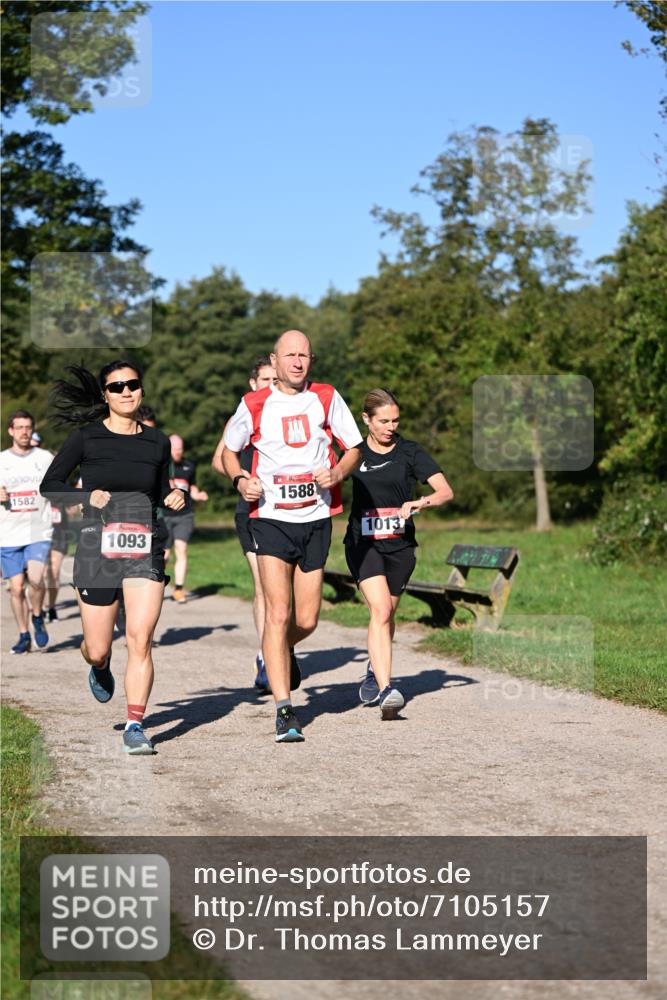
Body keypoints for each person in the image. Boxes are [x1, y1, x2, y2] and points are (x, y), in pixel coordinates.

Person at [222, 330, 363, 743]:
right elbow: (229, 451)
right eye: (290, 355)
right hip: (269, 518)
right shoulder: (253, 403)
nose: (298, 362)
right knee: (278, 611)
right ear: (275, 359)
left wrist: (338, 472)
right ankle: (285, 709)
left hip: (317, 517)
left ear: (311, 360)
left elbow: (354, 446)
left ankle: (280, 650)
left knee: (306, 619)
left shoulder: (326, 396)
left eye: (304, 355)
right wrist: (239, 479)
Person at [40, 361, 185, 755]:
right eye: (116, 386)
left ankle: (136, 724)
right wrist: (86, 496)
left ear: (141, 390)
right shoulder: (85, 438)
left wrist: (175, 496)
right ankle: (98, 665)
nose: (125, 392)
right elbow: (50, 486)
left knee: (140, 641)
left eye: (132, 384)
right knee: (100, 647)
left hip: (144, 546)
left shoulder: (157, 443)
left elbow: (161, 492)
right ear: (105, 395)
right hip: (96, 547)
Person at [344, 388, 454, 719]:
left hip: (401, 547)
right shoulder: (355, 454)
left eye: (395, 420)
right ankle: (387, 688)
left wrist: (423, 501)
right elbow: (330, 477)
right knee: (379, 610)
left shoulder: (409, 452)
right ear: (366, 419)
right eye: (383, 421)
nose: (390, 427)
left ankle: (374, 668)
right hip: (363, 544)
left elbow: (445, 491)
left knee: (387, 615)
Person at [212, 356, 275, 691]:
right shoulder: (243, 415)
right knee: (264, 586)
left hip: (288, 512)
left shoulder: (293, 412)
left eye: (275, 379)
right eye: (265, 380)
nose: (270, 385)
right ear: (253, 384)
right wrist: (242, 479)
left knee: (286, 590)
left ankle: (281, 645)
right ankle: (266, 655)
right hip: (250, 510)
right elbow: (218, 460)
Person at [0, 410, 53, 652]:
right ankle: (23, 634)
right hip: (9, 532)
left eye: (27, 427)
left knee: (35, 580)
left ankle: (38, 615)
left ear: (32, 430)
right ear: (10, 431)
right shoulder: (1, 461)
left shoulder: (44, 458)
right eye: (19, 427)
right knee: (17, 588)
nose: (24, 432)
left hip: (38, 530)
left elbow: (57, 484)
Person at [163, 434, 208, 603]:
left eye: (180, 448)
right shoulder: (163, 466)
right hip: (165, 515)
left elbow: (192, 488)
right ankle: (158, 584)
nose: (178, 452)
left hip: (184, 514)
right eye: (175, 448)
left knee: (181, 549)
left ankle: (179, 589)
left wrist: (198, 495)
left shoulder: (189, 466)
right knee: (164, 554)